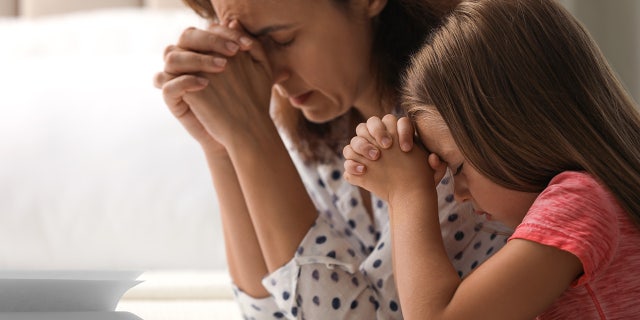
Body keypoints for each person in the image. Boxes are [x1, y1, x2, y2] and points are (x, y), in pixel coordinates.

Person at [153, 0, 510, 318]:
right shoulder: (330, 133)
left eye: (281, 40)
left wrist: (251, 137)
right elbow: (269, 310)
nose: (271, 75)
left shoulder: (452, 128)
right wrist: (222, 148)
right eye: (249, 54)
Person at [342, 0, 640, 318]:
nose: (458, 194)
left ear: (515, 129)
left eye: (457, 167)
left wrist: (406, 193)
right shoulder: (594, 202)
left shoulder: (582, 201)